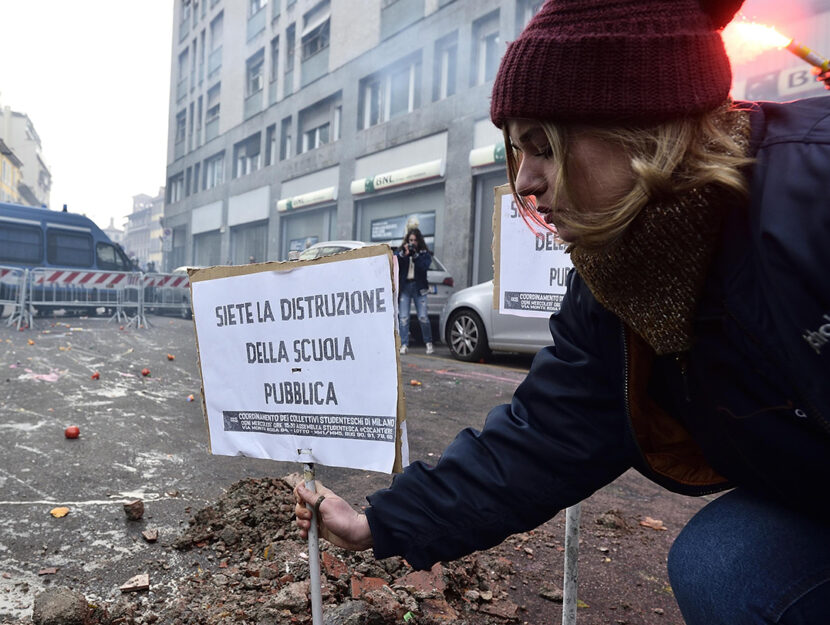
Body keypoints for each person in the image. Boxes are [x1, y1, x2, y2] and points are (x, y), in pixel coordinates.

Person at [296, 1, 830, 622]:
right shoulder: (615, 280)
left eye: (544, 145)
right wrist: (378, 524)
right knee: (724, 557)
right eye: (518, 150)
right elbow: (548, 433)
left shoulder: (812, 199)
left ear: (642, 126)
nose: (524, 181)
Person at [395, 228, 434, 355]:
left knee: (423, 317)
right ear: (407, 241)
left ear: (419, 241)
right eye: (410, 240)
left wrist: (416, 256)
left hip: (419, 288)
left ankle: (428, 343)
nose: (412, 243)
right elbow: (395, 261)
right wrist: (404, 254)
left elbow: (425, 266)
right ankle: (404, 344)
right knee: (404, 318)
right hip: (406, 287)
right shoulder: (403, 251)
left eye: (415, 241)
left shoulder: (423, 253)